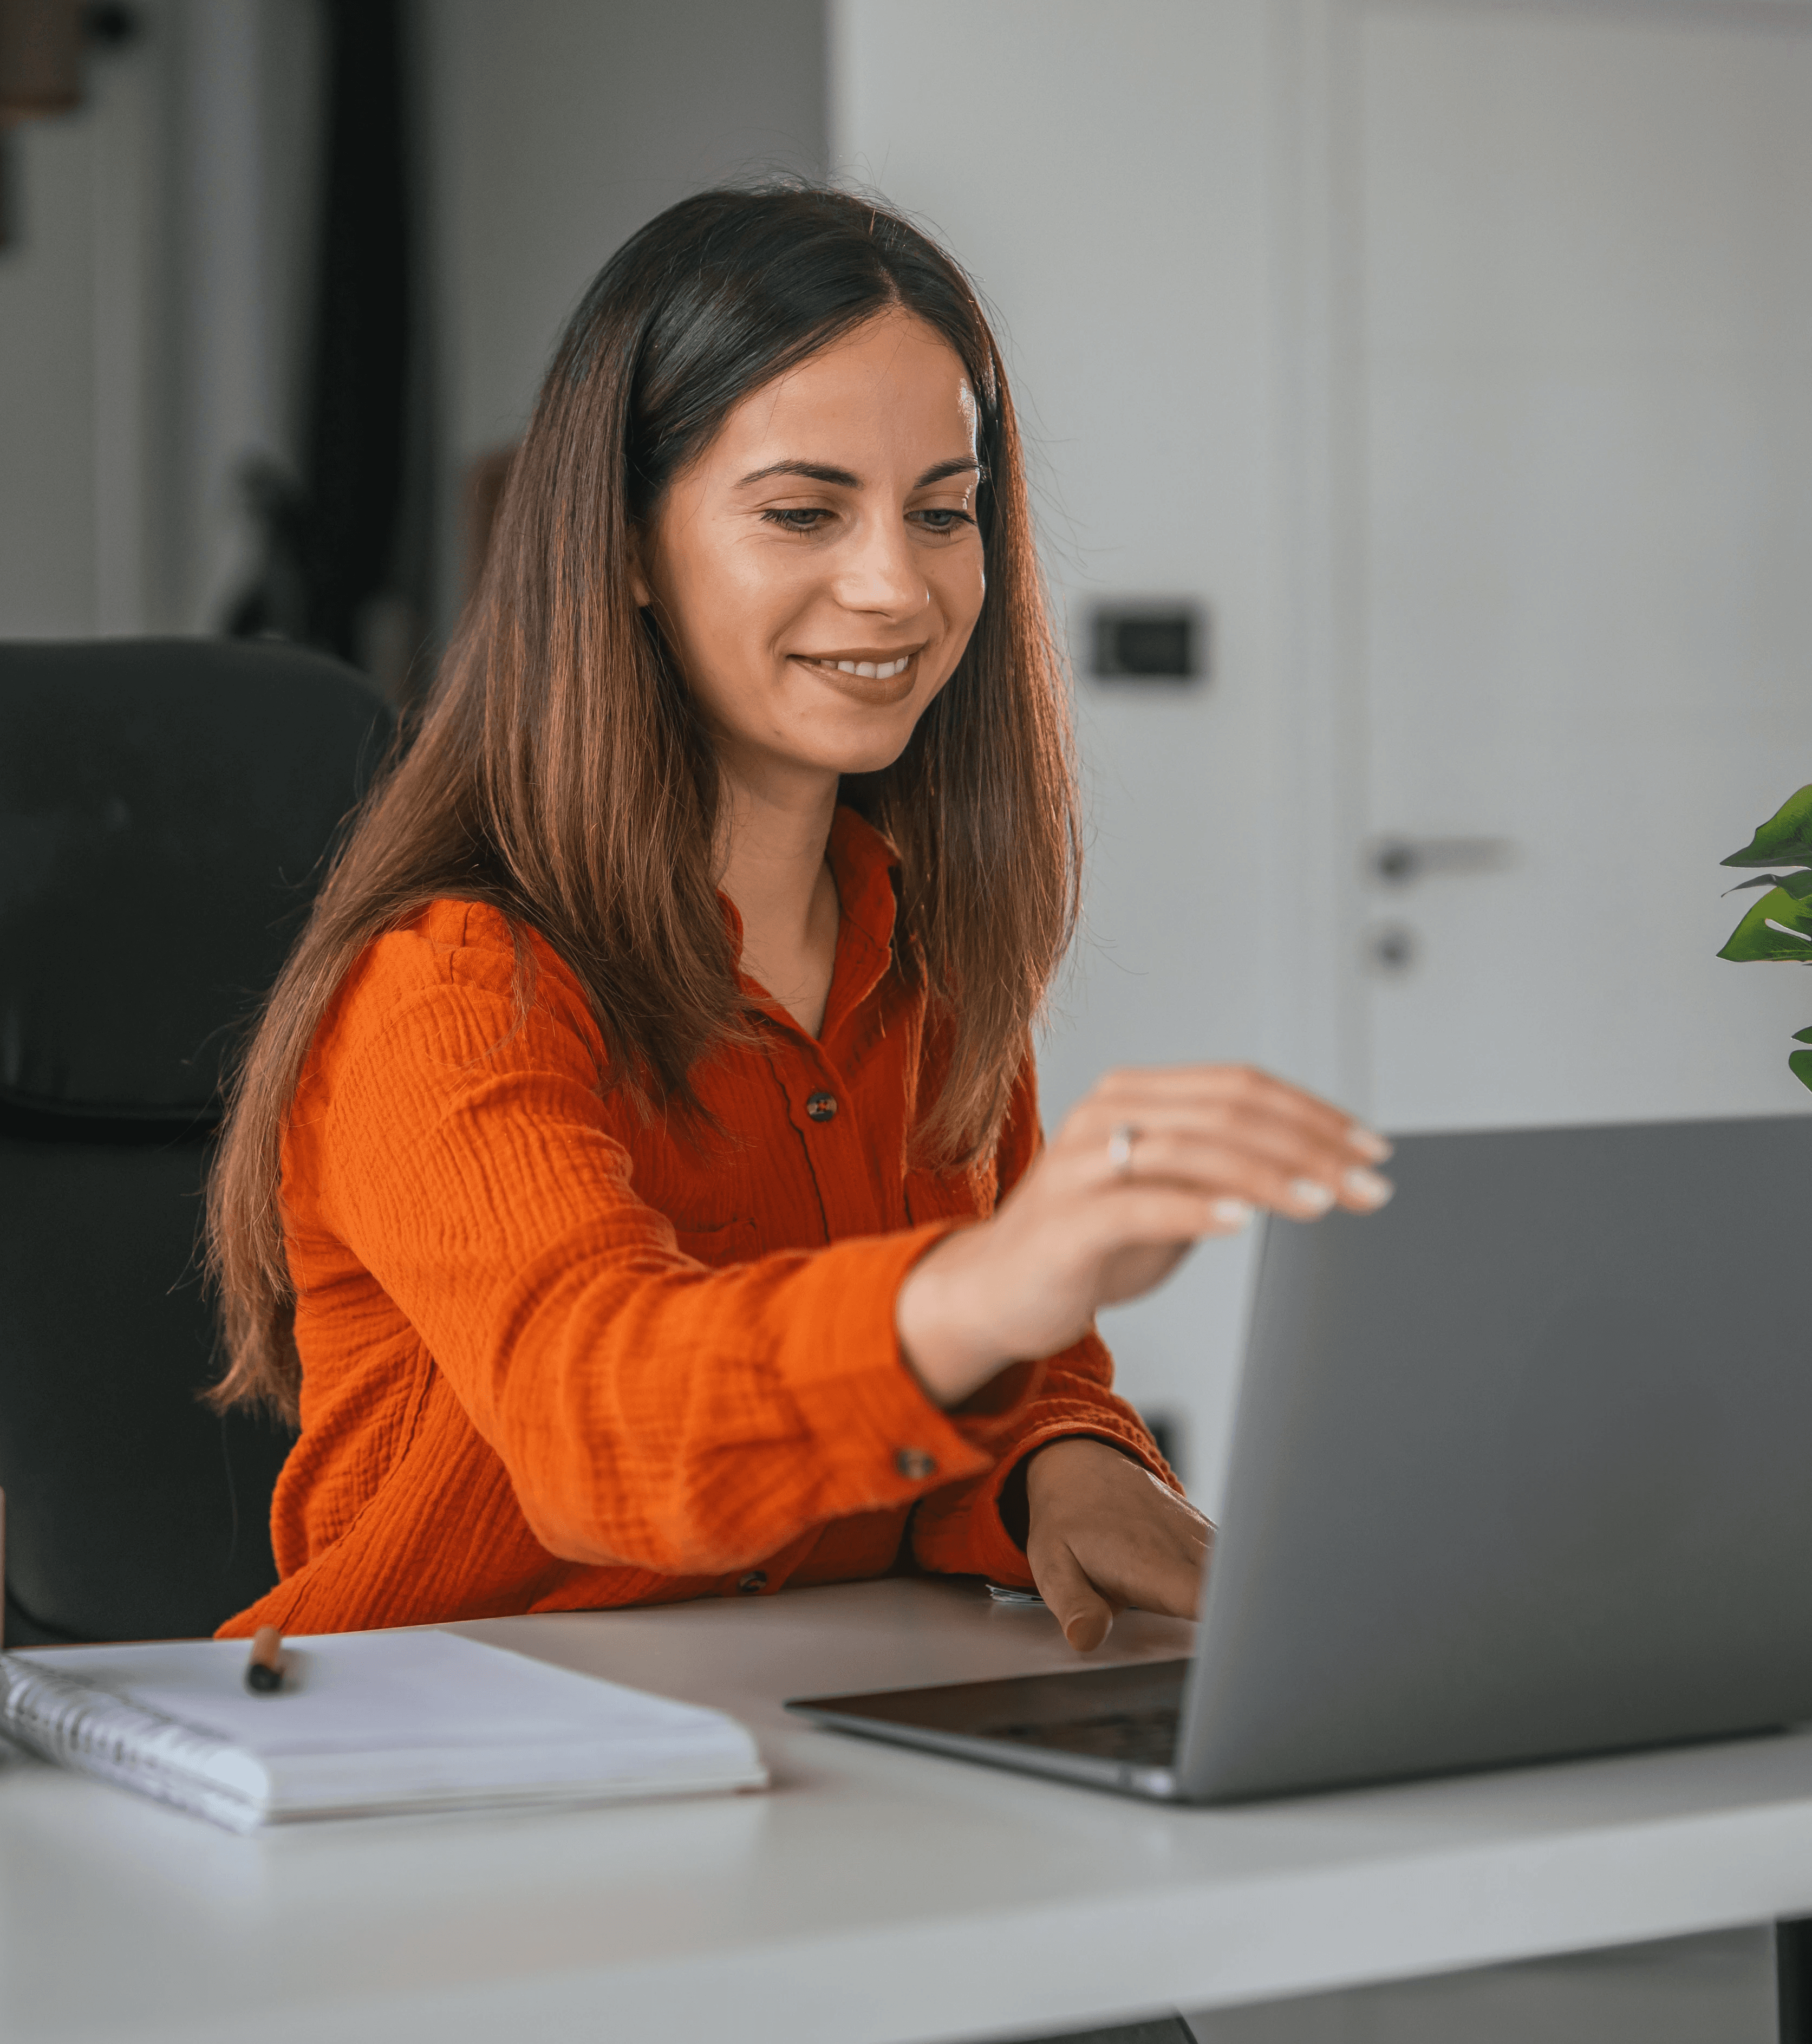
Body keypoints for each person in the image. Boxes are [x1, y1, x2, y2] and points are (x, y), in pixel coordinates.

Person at [206, 186, 1392, 1653]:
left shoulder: (934, 962)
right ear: (624, 547)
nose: (895, 584)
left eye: (942, 512)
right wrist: (981, 1284)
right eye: (802, 511)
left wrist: (1066, 1468)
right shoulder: (450, 989)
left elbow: (1006, 1384)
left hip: (816, 1742)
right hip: (437, 1786)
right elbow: (602, 1422)